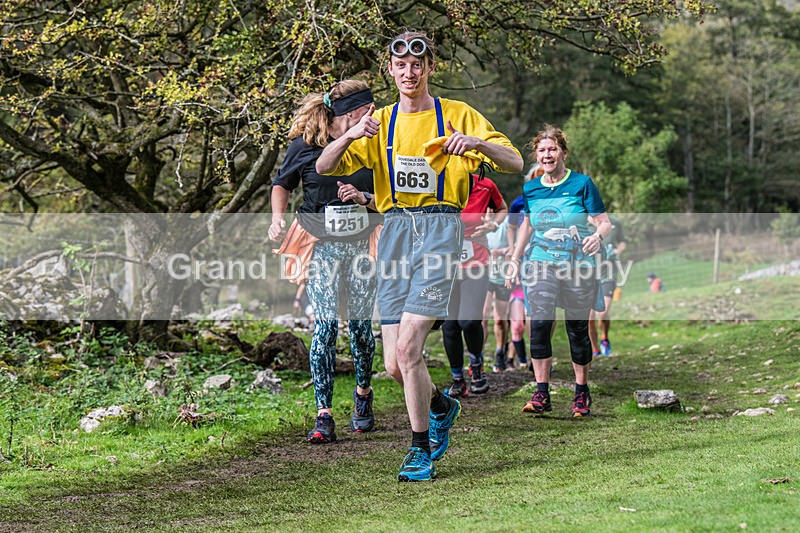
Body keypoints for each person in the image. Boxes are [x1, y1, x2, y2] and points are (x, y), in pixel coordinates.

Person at [316, 30, 523, 481]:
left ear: (429, 68)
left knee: (410, 349)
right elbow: (324, 167)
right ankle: (442, 405)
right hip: (393, 233)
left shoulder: (457, 114)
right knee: (394, 364)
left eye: (418, 64)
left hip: (438, 229)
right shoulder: (381, 121)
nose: (409, 72)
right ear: (391, 70)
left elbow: (514, 162)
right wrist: (351, 133)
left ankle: (419, 449)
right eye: (401, 65)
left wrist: (477, 145)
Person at [270, 80, 380, 444]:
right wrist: (277, 218)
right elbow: (281, 183)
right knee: (326, 327)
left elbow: (393, 194)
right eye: (369, 110)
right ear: (352, 113)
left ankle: (363, 395)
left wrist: (365, 197)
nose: (375, 116)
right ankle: (324, 415)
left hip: (363, 246)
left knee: (362, 329)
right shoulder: (305, 144)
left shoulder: (374, 146)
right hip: (321, 246)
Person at [508, 125, 610, 418]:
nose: (547, 155)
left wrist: (596, 236)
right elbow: (527, 223)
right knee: (538, 323)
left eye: (552, 149)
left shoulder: (582, 184)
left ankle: (581, 392)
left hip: (577, 263)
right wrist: (515, 258)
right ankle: (542, 392)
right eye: (542, 151)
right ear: (537, 156)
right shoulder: (531, 187)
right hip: (540, 262)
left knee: (577, 330)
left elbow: (603, 221)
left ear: (563, 152)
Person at [443, 175, 507, 397]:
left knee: (469, 320)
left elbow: (502, 208)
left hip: (477, 260)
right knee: (450, 325)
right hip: (445, 264)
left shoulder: (485, 184)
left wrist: (494, 224)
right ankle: (457, 379)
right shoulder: (441, 180)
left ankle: (476, 365)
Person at [589, 215, 626, 356]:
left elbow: (622, 242)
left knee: (603, 311)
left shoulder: (614, 222)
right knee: (589, 317)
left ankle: (604, 339)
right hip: (587, 275)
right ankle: (594, 348)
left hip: (608, 273)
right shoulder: (581, 223)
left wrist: (617, 251)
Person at [483, 217, 512, 372]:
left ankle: (500, 352)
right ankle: (477, 357)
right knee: (481, 317)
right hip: (484, 277)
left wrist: (500, 252)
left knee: (500, 320)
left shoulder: (507, 223)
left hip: (503, 277)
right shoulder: (479, 223)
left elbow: (515, 248)